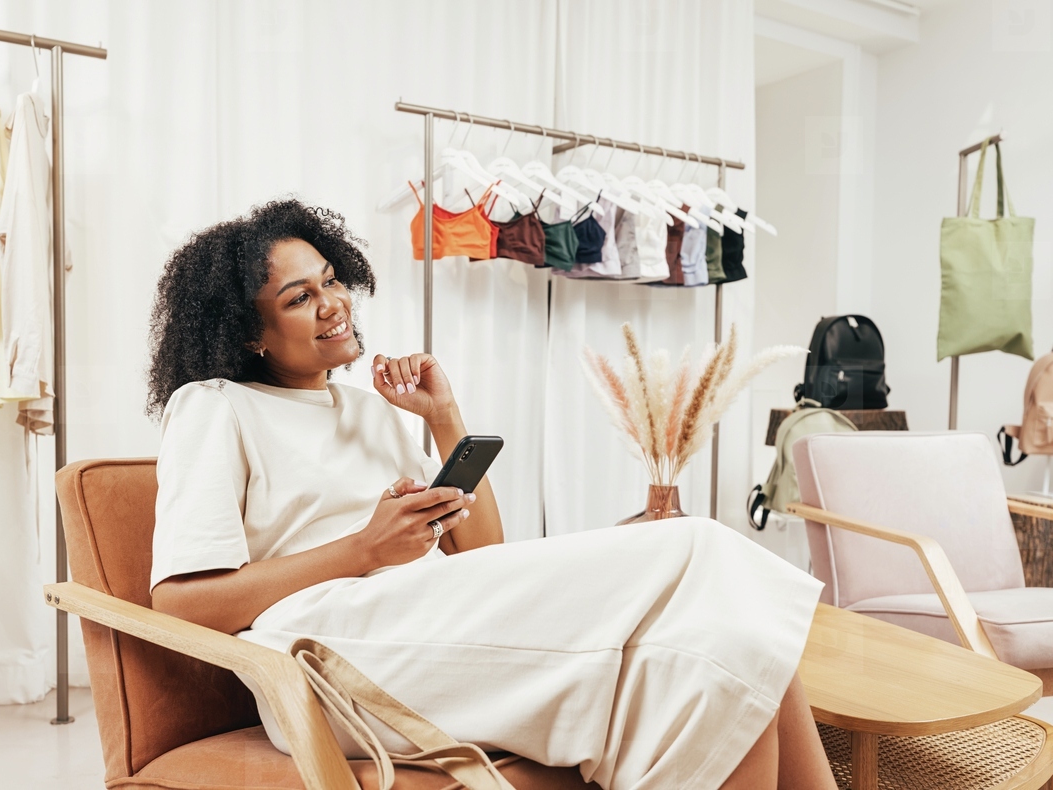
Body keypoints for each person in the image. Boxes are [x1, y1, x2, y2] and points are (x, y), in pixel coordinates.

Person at [145, 199, 838, 790]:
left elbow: (484, 553)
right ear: (245, 331)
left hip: (436, 626)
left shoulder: (379, 412)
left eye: (330, 281)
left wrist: (443, 417)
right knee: (695, 542)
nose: (332, 304)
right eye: (299, 298)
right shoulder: (215, 407)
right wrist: (362, 549)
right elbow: (178, 604)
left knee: (729, 646)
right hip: (324, 661)